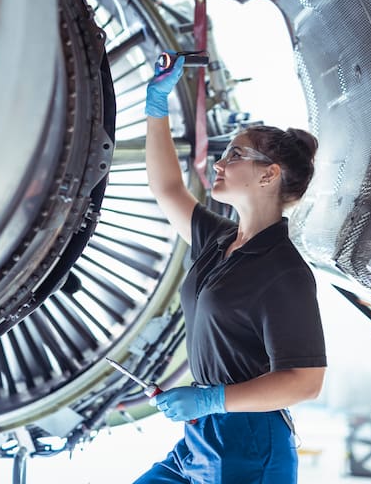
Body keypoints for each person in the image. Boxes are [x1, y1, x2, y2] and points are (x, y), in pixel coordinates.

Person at [135, 56, 327, 484]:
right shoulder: (217, 240)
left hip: (249, 444)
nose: (219, 164)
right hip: (202, 438)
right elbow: (166, 188)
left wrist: (210, 401)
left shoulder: (284, 271)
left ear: (269, 175)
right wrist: (157, 107)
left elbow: (305, 382)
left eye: (235, 155)